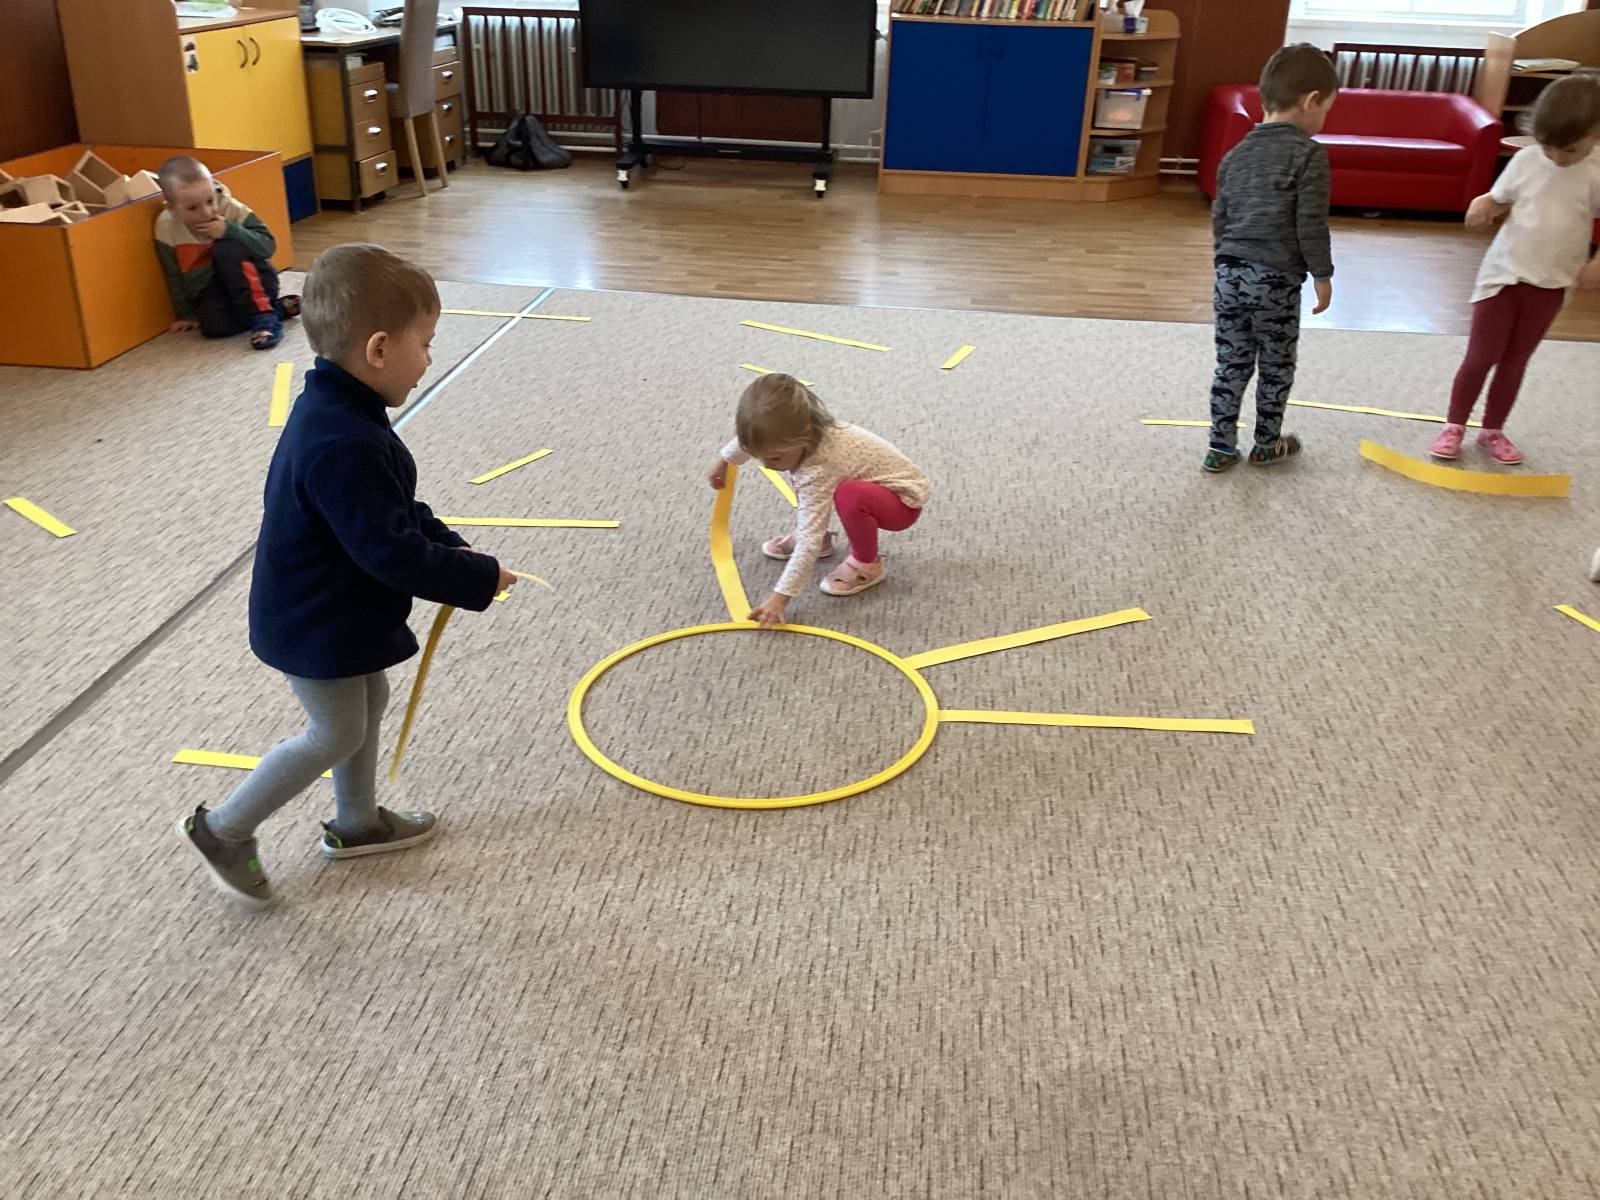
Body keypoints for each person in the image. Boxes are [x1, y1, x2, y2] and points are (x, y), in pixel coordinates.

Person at [176, 244, 515, 908]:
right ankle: (224, 829)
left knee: (368, 705)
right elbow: (390, 552)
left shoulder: (342, 410)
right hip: (316, 619)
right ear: (380, 349)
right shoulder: (344, 441)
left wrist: (450, 544)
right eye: (426, 344)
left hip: (337, 608)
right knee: (333, 731)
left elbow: (395, 509)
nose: (430, 359)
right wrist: (474, 576)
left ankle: (357, 823)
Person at [1431, 74, 1600, 465]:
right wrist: (1484, 205)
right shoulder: (1527, 160)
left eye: (1568, 150)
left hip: (1553, 282)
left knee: (1515, 359)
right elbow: (1499, 198)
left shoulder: (1595, 171)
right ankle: (1454, 425)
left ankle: (1492, 429)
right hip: (1503, 275)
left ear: (1595, 133)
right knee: (1481, 356)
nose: (1556, 158)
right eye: (1547, 147)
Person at [1203, 43, 1339, 474]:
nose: (1324, 119)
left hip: (1230, 274)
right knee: (1276, 364)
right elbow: (1309, 222)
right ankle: (1266, 443)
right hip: (1275, 279)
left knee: (1231, 361)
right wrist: (1322, 275)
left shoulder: (1234, 155)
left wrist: (1225, 264)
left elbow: (1221, 217)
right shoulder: (1308, 154)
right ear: (1310, 101)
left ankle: (1220, 446)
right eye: (1327, 109)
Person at [706, 373, 929, 628]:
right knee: (807, 483)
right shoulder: (798, 435)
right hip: (863, 485)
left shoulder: (821, 464)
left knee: (847, 495)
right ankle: (823, 535)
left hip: (902, 502)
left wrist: (780, 598)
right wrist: (723, 460)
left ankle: (867, 563)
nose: (767, 465)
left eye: (775, 458)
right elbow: (752, 439)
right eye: (760, 456)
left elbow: (808, 537)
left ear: (804, 434)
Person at [154, 155, 300, 351]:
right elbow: (174, 274)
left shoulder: (229, 207)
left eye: (210, 201)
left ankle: (265, 318)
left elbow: (268, 246)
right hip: (214, 291)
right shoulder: (166, 227)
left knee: (225, 247)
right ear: (172, 208)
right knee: (212, 327)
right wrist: (186, 314)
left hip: (256, 282)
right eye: (193, 208)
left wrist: (228, 230)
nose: (206, 212)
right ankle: (277, 310)